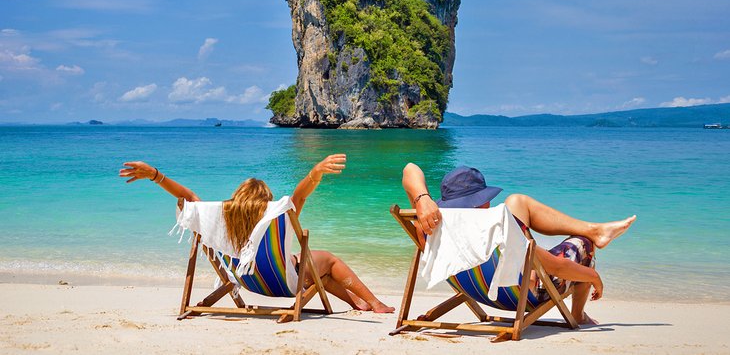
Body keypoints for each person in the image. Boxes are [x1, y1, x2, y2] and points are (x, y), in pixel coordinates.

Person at [120, 154, 394, 314]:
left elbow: (188, 197)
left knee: (312, 269)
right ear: (268, 201)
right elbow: (299, 195)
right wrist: (315, 172)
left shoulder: (218, 218)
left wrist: (156, 175)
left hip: (248, 282)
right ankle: (375, 302)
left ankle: (358, 303)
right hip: (284, 284)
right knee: (328, 261)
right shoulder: (277, 213)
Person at [402, 162, 636, 325]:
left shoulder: (430, 223)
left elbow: (409, 169)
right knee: (583, 244)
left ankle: (596, 229)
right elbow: (556, 267)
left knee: (516, 202)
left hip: (478, 289)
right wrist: (594, 277)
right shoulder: (496, 231)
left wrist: (422, 199)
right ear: (482, 201)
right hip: (523, 296)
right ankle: (579, 312)